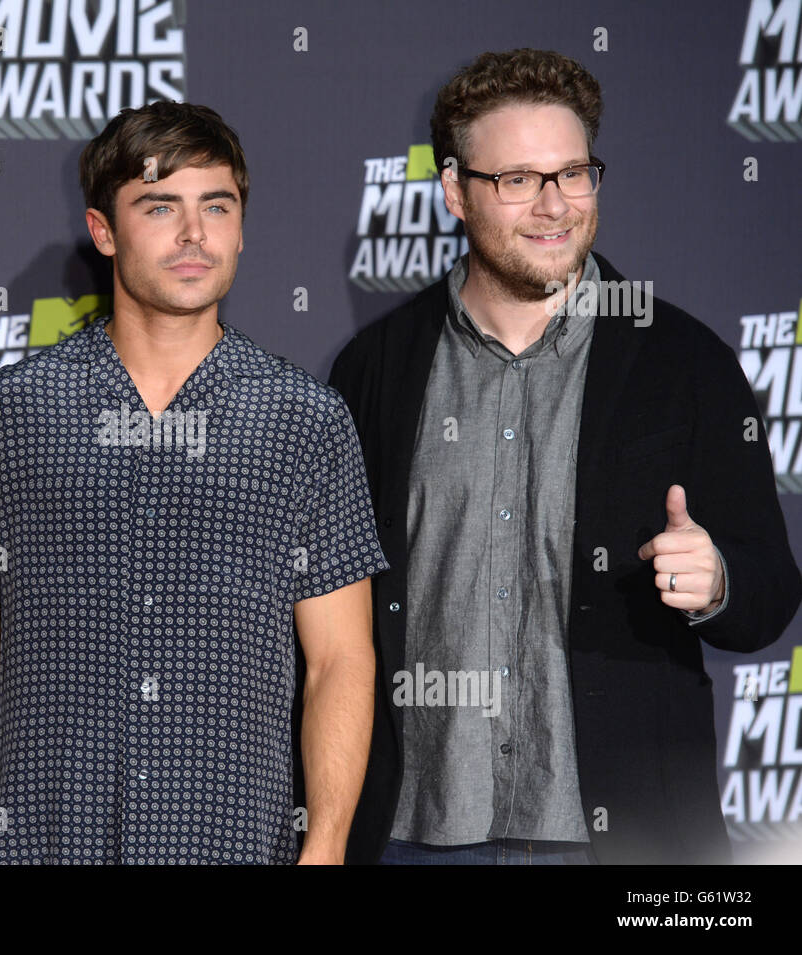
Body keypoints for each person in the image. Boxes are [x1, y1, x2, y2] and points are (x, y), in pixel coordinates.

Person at [329, 48, 801, 865]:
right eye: (517, 179)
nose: (554, 206)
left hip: (626, 842)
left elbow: (770, 589)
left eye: (573, 174)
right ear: (454, 191)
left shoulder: (686, 362)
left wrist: (718, 579)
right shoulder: (375, 369)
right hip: (415, 834)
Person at [0, 101, 389, 864]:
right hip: (52, 847)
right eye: (160, 207)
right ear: (104, 231)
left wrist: (324, 848)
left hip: (233, 846)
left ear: (241, 227)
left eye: (216, 206)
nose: (194, 234)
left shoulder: (305, 422)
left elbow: (339, 660)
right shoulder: (13, 409)